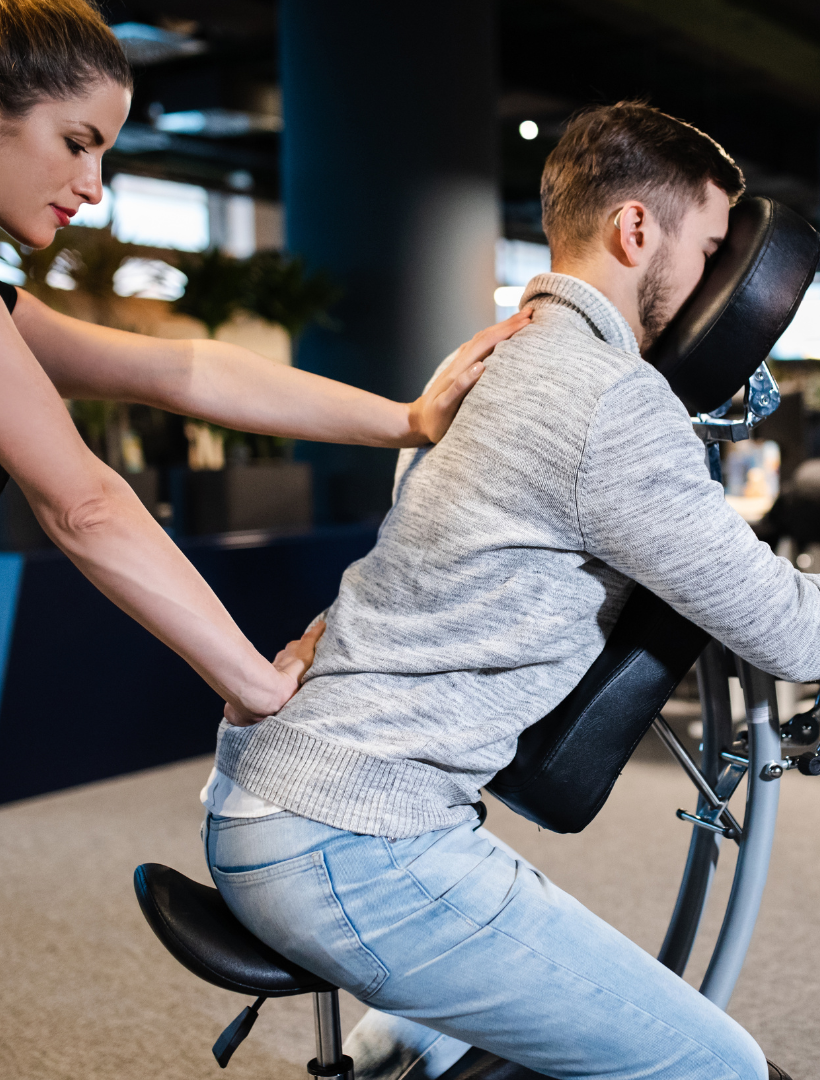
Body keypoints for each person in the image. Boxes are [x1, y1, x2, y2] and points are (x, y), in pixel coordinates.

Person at [0, 0, 530, 1076]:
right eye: (78, 141)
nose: (94, 184)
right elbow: (84, 504)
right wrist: (254, 683)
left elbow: (176, 369)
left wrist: (407, 418)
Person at [200, 102, 812, 1080]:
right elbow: (792, 632)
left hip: (269, 799)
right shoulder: (610, 398)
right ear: (636, 229)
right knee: (722, 1067)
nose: (713, 286)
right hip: (355, 844)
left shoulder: (487, 360)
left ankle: (403, 1036)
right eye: (707, 250)